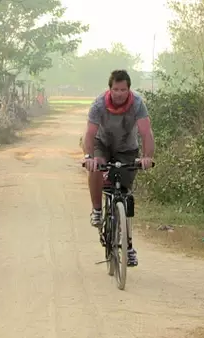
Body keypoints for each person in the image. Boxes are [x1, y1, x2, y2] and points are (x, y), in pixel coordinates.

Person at [82, 69, 155, 267]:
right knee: (96, 167)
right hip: (102, 144)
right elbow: (89, 134)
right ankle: (97, 210)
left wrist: (147, 157)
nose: (119, 93)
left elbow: (146, 133)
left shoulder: (138, 104)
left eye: (123, 89)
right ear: (110, 89)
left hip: (126, 148)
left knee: (124, 194)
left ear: (129, 89)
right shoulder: (99, 104)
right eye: (116, 89)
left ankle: (128, 246)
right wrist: (89, 157)